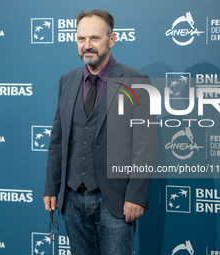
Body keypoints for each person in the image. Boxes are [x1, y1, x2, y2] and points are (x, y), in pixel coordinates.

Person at [43, 9, 156, 255]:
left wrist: (136, 196)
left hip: (115, 200)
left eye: (95, 38)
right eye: (81, 39)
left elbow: (144, 145)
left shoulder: (136, 81)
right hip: (72, 200)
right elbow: (58, 140)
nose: (87, 46)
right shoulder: (67, 80)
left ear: (111, 40)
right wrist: (52, 187)